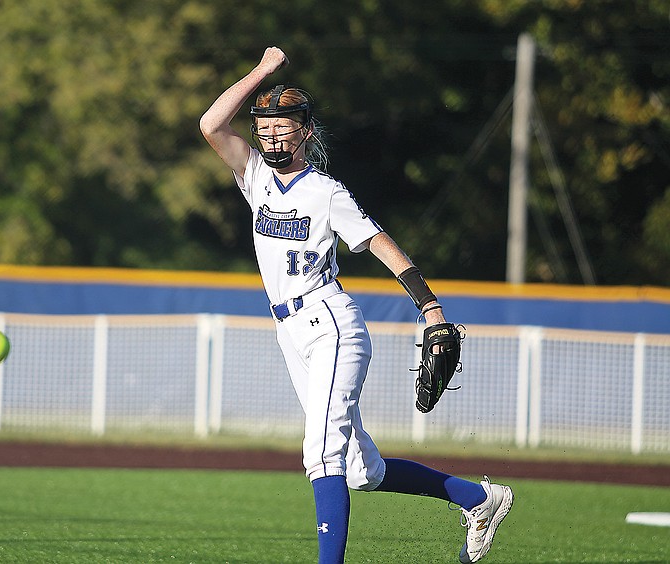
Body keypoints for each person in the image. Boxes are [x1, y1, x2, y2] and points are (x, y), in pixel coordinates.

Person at [199, 46, 513, 564]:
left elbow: (381, 243)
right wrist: (261, 73)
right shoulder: (253, 177)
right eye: (265, 124)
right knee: (361, 471)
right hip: (289, 332)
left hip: (329, 325)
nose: (272, 133)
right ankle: (478, 498)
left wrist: (430, 308)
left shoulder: (325, 191)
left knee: (319, 451)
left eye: (284, 124)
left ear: (304, 130)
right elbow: (211, 124)